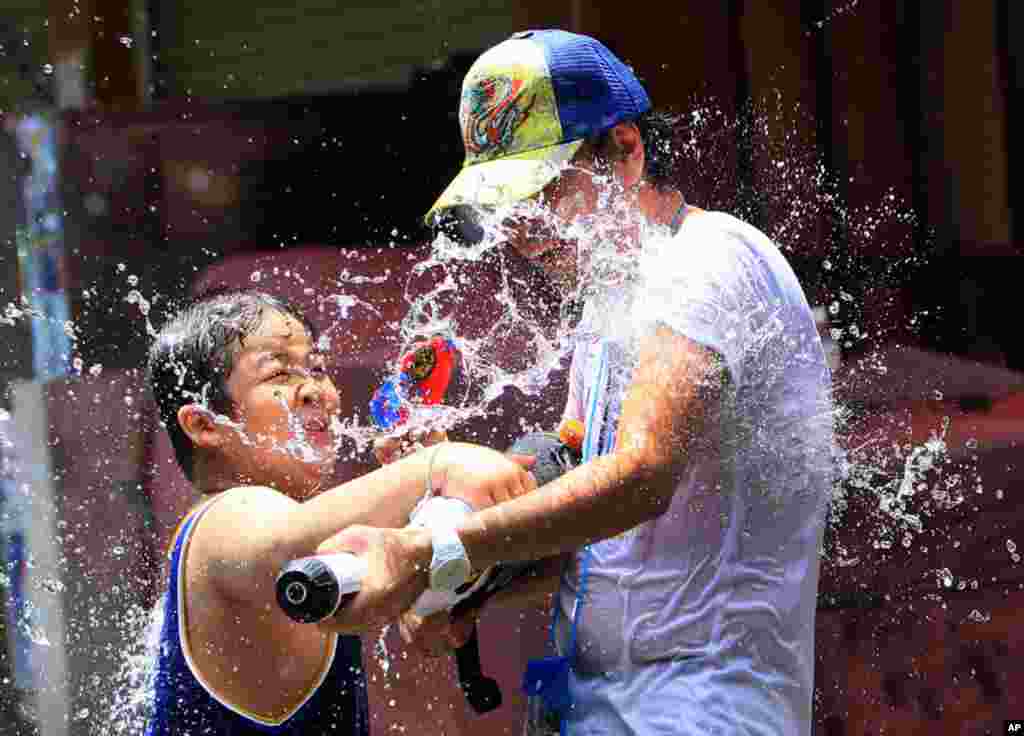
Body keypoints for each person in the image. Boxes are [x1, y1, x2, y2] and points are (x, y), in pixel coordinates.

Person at [320, 29, 835, 736]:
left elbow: (641, 478)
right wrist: (471, 586)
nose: (521, 231)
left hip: (699, 706)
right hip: (596, 700)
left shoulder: (707, 263)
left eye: (539, 193)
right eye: (504, 207)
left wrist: (429, 553)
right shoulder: (612, 295)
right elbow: (600, 537)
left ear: (625, 150)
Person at [143, 289, 537, 735]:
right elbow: (279, 541)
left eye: (316, 368)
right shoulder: (224, 517)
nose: (315, 390)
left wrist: (440, 573)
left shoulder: (311, 543)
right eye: (279, 373)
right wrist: (435, 467)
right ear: (204, 425)